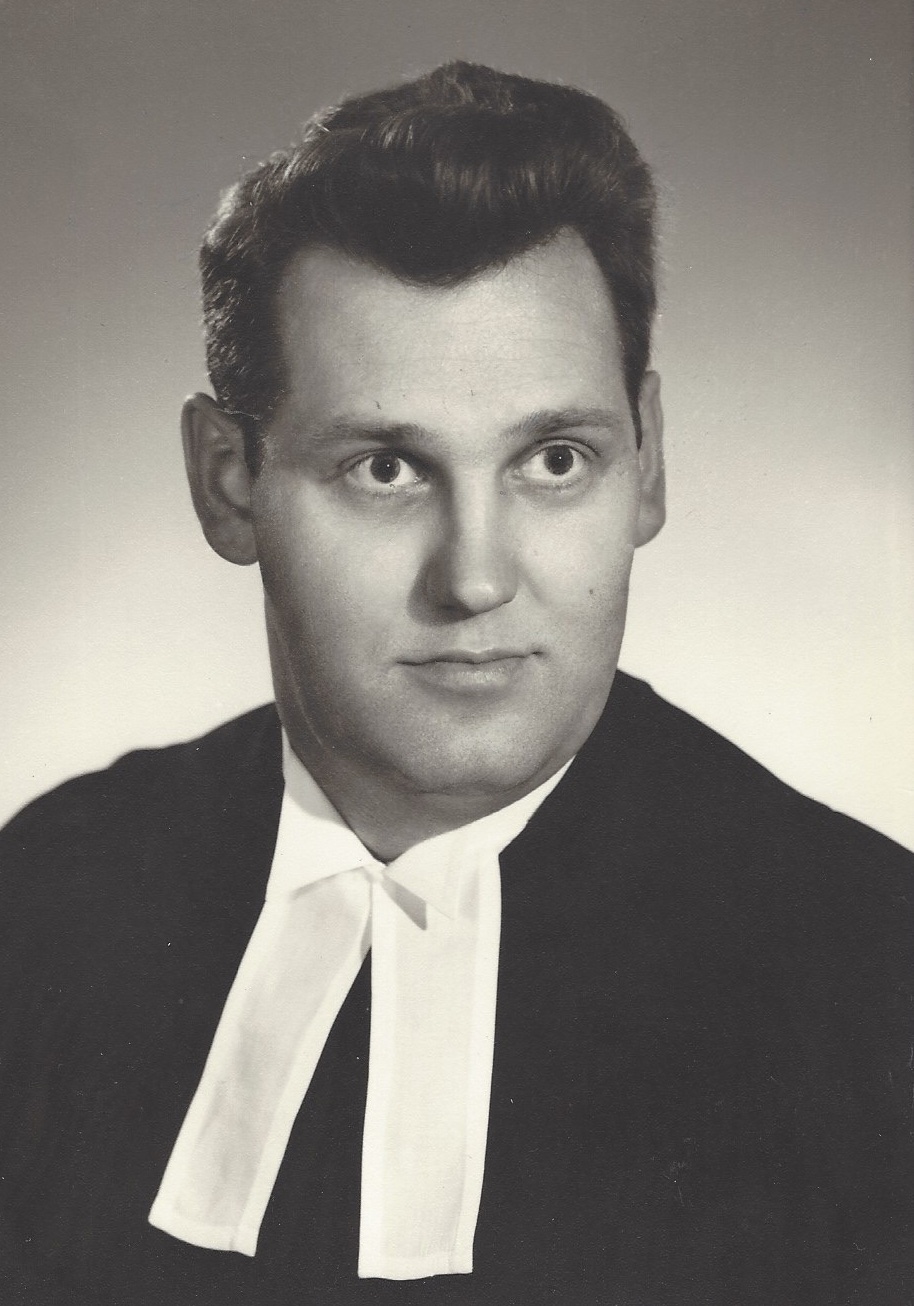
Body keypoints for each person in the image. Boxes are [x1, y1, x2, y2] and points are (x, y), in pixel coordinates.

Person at [1, 60, 912, 1306]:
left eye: (552, 458)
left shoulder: (871, 967)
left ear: (645, 468)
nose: (475, 577)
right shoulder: (46, 895)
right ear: (227, 481)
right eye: (384, 468)